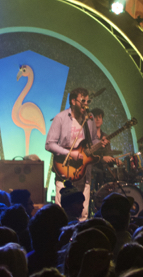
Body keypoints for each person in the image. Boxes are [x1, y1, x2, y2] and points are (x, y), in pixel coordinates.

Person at [45, 88, 107, 219]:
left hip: (84, 173)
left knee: (83, 213)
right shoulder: (60, 118)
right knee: (62, 212)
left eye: (88, 101)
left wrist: (100, 143)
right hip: (65, 170)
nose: (86, 104)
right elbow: (49, 144)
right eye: (83, 101)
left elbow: (93, 140)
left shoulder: (89, 120)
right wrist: (70, 154)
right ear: (73, 101)